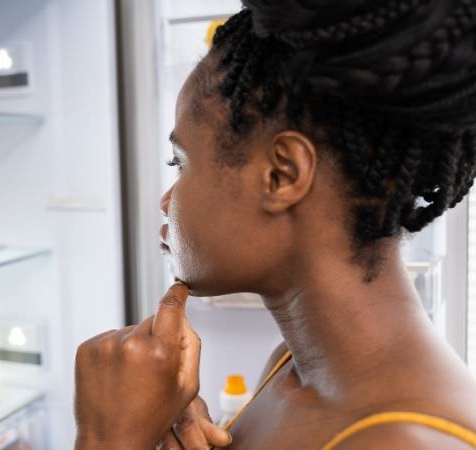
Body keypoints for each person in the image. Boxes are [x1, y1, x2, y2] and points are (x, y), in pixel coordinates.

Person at [74, 0, 476, 449]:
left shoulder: (404, 443)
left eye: (180, 163)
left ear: (281, 175)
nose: (166, 201)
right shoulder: (290, 369)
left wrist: (108, 436)